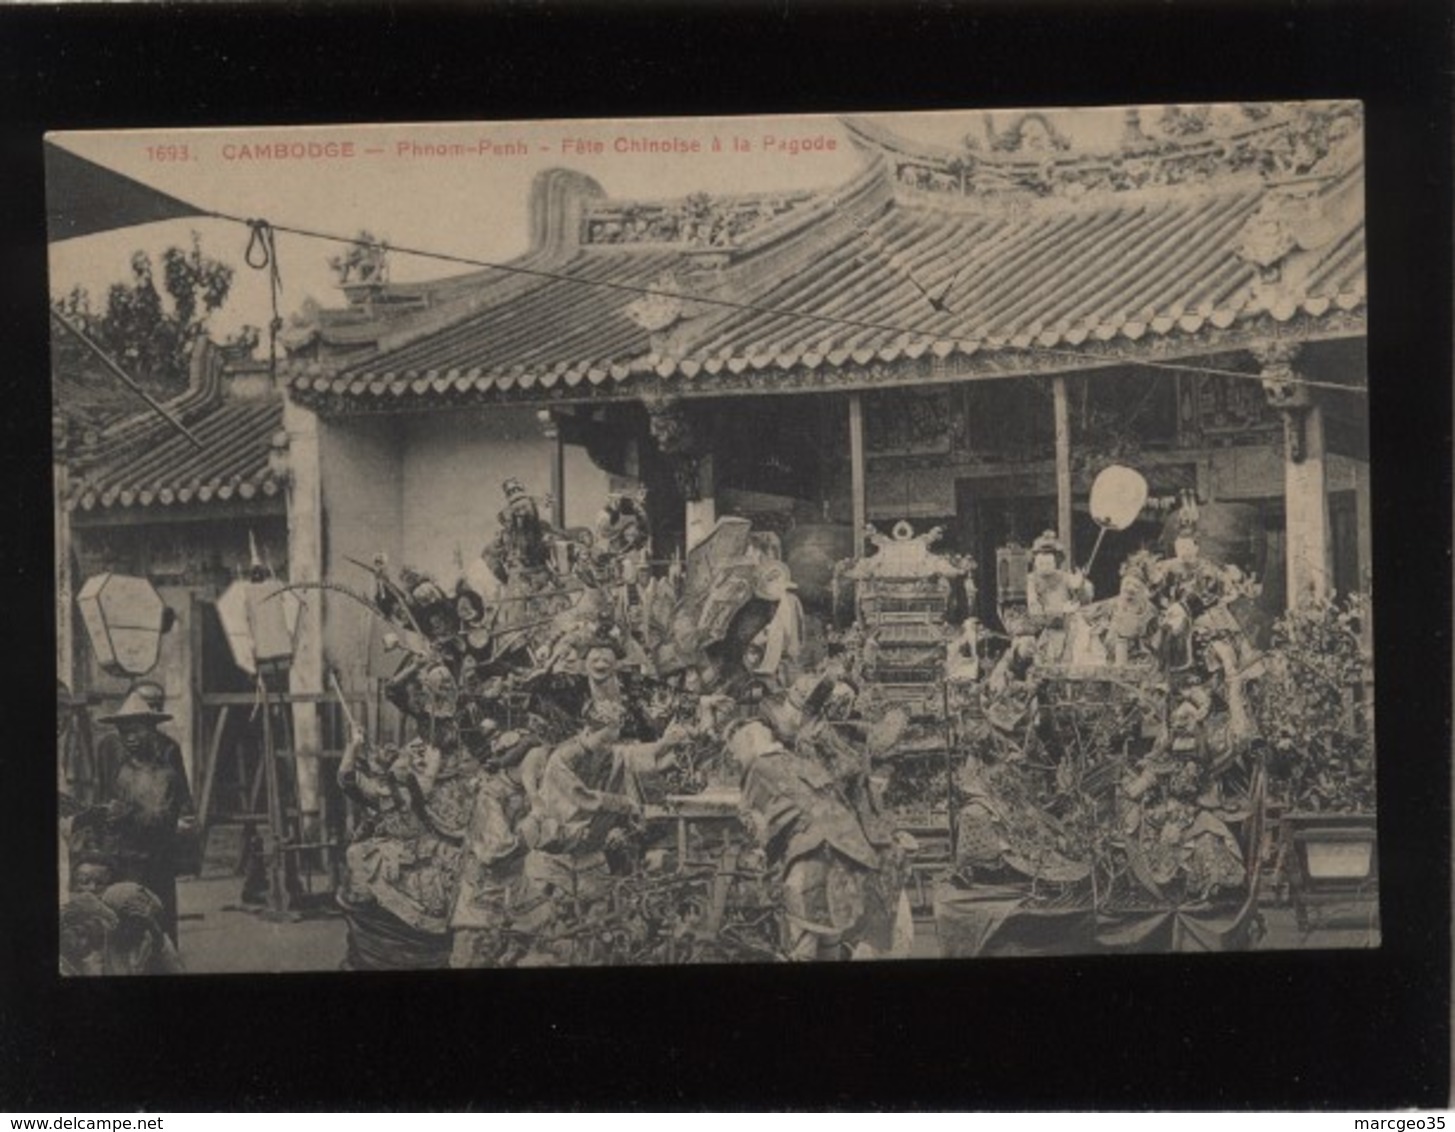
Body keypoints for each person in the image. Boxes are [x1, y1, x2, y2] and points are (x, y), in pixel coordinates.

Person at [727, 719, 910, 962]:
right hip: (852, 857)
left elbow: (751, 822)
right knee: (828, 941)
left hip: (811, 862)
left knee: (805, 948)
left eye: (735, 752)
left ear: (746, 744)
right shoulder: (798, 762)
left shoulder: (759, 768)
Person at [95, 689, 195, 944]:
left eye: (136, 730)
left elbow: (166, 815)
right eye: (124, 731)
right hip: (124, 858)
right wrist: (106, 820)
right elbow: (105, 799)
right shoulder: (119, 765)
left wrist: (129, 814)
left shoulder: (166, 770)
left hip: (156, 856)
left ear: (151, 729)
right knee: (126, 922)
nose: (129, 738)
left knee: (158, 917)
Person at [101, 882, 185, 975]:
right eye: (128, 920)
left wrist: (157, 935)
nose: (134, 927)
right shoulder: (106, 942)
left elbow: (176, 969)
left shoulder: (152, 935)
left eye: (139, 921)